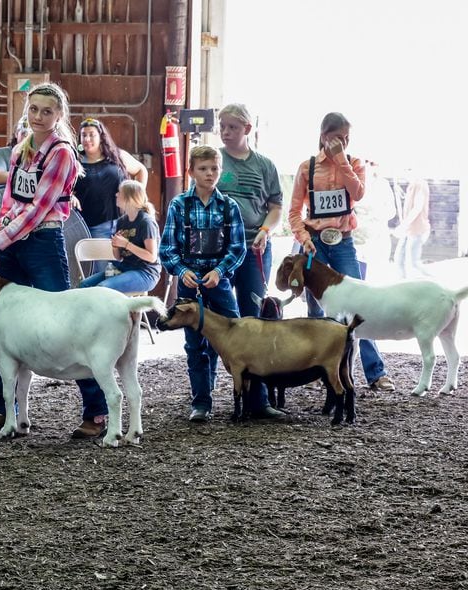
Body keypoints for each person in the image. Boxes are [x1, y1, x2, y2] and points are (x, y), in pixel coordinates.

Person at [0, 82, 110, 440]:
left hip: (43, 239)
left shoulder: (62, 153)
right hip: (13, 241)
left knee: (65, 322)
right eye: (34, 109)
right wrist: (1, 232)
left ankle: (96, 411)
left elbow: (38, 210)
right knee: (7, 326)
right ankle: (3, 410)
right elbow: (10, 200)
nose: (39, 116)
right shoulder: (21, 149)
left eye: (47, 111)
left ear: (59, 115)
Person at [288, 112, 394, 391]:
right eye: (338, 138)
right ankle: (317, 372)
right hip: (314, 240)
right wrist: (303, 237)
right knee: (317, 307)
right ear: (324, 136)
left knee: (360, 303)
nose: (344, 143)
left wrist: (342, 161)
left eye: (347, 138)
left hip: (344, 240)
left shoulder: (355, 163)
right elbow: (294, 212)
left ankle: (375, 371)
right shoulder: (306, 168)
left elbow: (358, 194)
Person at [160, 145, 246, 423]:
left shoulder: (229, 206)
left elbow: (237, 247)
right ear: (191, 172)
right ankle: (201, 402)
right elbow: (167, 248)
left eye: (214, 169)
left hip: (218, 283)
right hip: (190, 284)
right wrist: (180, 269)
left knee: (236, 336)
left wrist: (221, 271)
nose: (210, 174)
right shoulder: (179, 205)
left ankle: (252, 398)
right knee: (195, 343)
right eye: (203, 169)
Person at [214, 103, 285, 419]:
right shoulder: (214, 161)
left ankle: (258, 399)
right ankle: (206, 397)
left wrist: (266, 230)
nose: (225, 132)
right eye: (222, 126)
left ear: (247, 130)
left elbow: (276, 206)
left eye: (231, 127)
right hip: (218, 249)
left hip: (255, 247)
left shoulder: (265, 166)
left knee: (253, 319)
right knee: (219, 318)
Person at [79, 179, 160, 293]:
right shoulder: (122, 221)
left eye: (120, 192)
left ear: (129, 198)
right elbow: (118, 257)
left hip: (145, 272)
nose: (116, 194)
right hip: (124, 268)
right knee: (84, 285)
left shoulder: (146, 222)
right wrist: (116, 246)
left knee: (102, 288)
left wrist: (126, 244)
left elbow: (152, 257)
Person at [74, 118, 128, 248]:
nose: (87, 139)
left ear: (101, 137)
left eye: (92, 135)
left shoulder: (116, 156)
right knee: (97, 268)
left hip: (119, 224)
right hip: (87, 227)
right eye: (84, 135)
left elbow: (141, 170)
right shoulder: (75, 162)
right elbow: (62, 187)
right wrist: (70, 196)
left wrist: (137, 199)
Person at [395, 174, 431, 279]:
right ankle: (401, 285)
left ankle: (436, 280)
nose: (406, 172)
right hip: (409, 230)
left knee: (414, 263)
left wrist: (402, 226)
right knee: (399, 259)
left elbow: (417, 207)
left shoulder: (420, 184)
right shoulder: (412, 186)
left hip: (417, 230)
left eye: (409, 169)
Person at [0, 117, 30, 185]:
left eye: (31, 135)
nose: (27, 139)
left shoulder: (41, 156)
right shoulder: (2, 153)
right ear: (16, 133)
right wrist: (29, 177)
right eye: (24, 134)